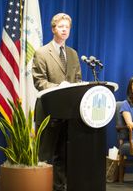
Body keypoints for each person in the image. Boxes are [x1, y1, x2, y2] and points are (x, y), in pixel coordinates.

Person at [32, 12, 82, 191]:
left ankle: (59, 187)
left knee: (63, 155)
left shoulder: (73, 54)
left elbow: (77, 80)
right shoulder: (42, 52)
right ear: (53, 29)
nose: (64, 30)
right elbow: (39, 82)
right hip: (48, 111)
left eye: (67, 27)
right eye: (61, 27)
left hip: (69, 113)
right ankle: (42, 187)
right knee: (45, 155)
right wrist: (60, 86)